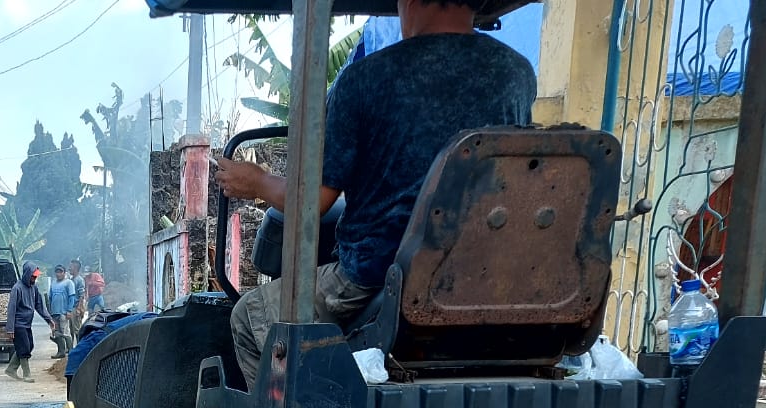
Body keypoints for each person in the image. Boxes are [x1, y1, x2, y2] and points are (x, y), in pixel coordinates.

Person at [217, 0, 536, 386]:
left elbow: (312, 204)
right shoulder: (517, 75)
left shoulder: (365, 81)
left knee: (249, 317)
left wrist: (255, 182)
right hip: (487, 268)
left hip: (377, 273)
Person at [4, 262, 55, 381]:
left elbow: (39, 305)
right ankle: (27, 374)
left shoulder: (34, 288)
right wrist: (10, 329)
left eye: (36, 276)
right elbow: (11, 310)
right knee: (25, 348)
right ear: (27, 274)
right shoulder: (17, 288)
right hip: (18, 324)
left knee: (29, 346)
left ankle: (11, 369)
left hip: (27, 324)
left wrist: (49, 319)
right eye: (33, 276)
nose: (35, 278)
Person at [47, 264, 78, 359]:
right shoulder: (53, 283)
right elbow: (50, 297)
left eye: (60, 272)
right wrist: (50, 312)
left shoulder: (69, 283)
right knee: (57, 333)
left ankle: (71, 351)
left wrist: (69, 310)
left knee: (65, 332)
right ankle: (61, 351)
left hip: (64, 312)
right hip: (54, 312)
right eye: (57, 272)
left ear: (64, 273)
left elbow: (71, 298)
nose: (58, 274)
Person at [68, 258, 87, 325]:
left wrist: (78, 309)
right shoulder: (71, 279)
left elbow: (81, 295)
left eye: (71, 267)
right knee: (71, 328)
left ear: (75, 268)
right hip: (71, 308)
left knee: (77, 329)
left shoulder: (79, 280)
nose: (69, 268)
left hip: (76, 308)